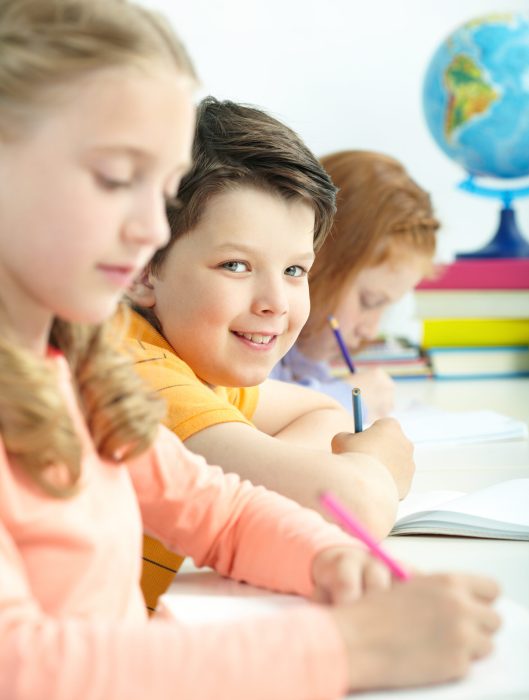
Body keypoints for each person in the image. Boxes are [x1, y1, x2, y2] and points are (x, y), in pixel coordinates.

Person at [0, 2, 500, 697]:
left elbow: (221, 512)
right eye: (117, 178)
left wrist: (331, 559)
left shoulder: (78, 372)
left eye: (164, 187)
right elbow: (22, 668)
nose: (151, 226)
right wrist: (346, 650)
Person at [125, 97, 415, 607]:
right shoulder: (137, 374)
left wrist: (267, 480)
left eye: (294, 270)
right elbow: (356, 509)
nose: (275, 304)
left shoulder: (190, 362)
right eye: (236, 265)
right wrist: (374, 468)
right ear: (144, 269)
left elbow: (318, 409)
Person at [271, 150, 440, 419]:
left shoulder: (297, 357)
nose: (369, 331)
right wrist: (344, 400)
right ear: (316, 263)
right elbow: (253, 413)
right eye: (369, 301)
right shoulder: (251, 341)